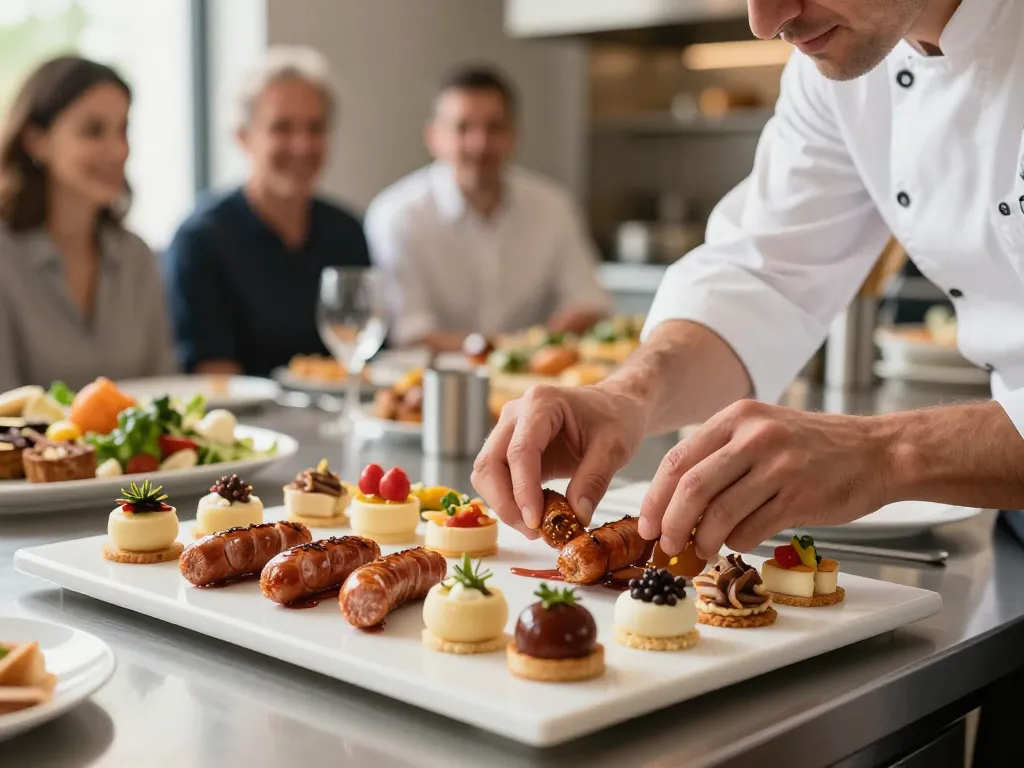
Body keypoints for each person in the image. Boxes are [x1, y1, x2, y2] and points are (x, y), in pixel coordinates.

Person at [473, 0, 1024, 549]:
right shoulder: (839, 69)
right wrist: (628, 395)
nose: (765, 22)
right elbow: (764, 280)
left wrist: (883, 452)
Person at [365, 66, 610, 352]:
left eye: (494, 127)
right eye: (463, 127)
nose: (480, 143)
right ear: (434, 137)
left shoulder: (553, 207)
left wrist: (563, 329)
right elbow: (411, 335)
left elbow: (590, 304)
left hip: (537, 387)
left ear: (514, 134)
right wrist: (514, 349)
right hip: (433, 387)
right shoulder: (398, 216)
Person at [164, 47, 370, 377]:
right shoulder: (201, 240)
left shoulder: (347, 231)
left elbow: (365, 360)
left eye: (315, 128)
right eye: (282, 128)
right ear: (243, 137)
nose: (302, 145)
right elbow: (215, 378)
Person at [0, 56, 177, 391]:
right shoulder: (5, 256)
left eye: (123, 130)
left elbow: (164, 388)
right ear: (36, 140)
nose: (118, 150)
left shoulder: (136, 255)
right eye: (93, 131)